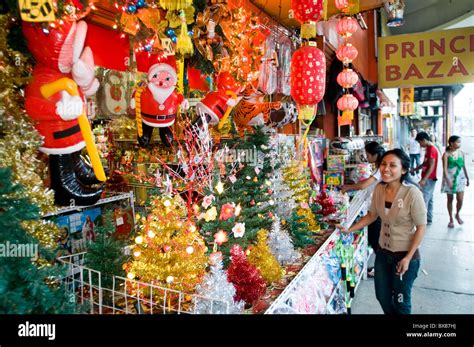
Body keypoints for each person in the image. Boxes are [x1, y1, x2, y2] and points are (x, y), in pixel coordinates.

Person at [339, 149, 427, 314]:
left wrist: (408, 257)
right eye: (383, 165)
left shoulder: (412, 193)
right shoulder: (379, 189)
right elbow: (372, 215)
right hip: (383, 254)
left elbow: (421, 227)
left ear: (404, 170)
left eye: (392, 165)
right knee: (382, 297)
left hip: (404, 257)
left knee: (401, 302)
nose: (386, 169)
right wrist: (349, 229)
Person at [343, 142, 385, 277]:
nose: (366, 157)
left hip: (378, 210)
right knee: (375, 239)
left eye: (367, 154)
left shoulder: (381, 170)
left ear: (374, 154)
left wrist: (348, 187)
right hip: (376, 208)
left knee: (375, 239)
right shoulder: (378, 168)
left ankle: (381, 270)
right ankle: (380, 267)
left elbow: (363, 185)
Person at [441, 135, 470, 228]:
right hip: (450, 178)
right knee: (450, 199)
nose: (459, 144)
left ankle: (457, 214)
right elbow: (444, 169)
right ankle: (451, 219)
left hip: (460, 178)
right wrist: (448, 180)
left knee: (460, 199)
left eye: (460, 142)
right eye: (458, 142)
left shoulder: (461, 153)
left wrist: (467, 177)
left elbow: (464, 166)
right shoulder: (446, 154)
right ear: (452, 143)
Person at [412, 131, 439, 225]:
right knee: (430, 198)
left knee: (424, 199)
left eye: (420, 142)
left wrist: (424, 179)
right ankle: (429, 218)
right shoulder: (428, 149)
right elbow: (425, 163)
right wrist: (415, 169)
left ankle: (421, 222)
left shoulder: (432, 149)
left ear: (423, 140)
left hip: (429, 178)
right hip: (427, 178)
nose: (420, 145)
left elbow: (431, 166)